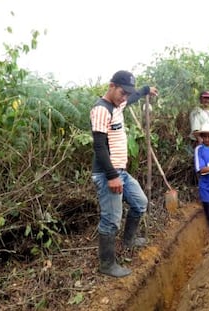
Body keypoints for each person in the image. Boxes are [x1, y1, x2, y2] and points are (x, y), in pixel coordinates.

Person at [90, 70, 158, 278]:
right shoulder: (101, 110)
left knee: (140, 203)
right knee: (111, 220)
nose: (125, 97)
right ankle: (107, 264)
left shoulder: (120, 104)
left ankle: (128, 239)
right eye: (122, 92)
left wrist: (146, 90)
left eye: (127, 94)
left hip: (121, 172)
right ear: (111, 86)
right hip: (107, 173)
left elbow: (135, 96)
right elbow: (100, 147)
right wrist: (111, 176)